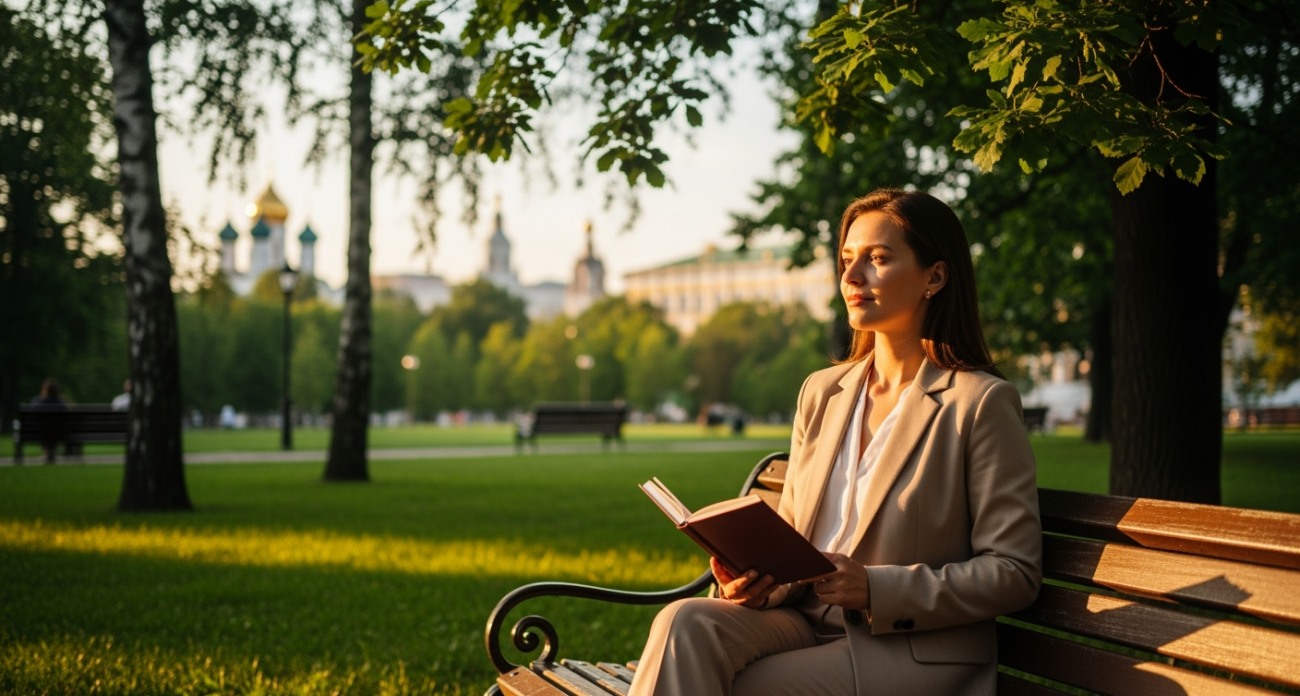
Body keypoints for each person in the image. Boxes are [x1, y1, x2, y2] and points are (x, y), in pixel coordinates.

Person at [628, 189, 1043, 696]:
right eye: (847, 260)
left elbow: (1015, 571)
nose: (851, 277)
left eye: (878, 259)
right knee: (684, 621)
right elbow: (796, 537)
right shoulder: (823, 392)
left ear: (934, 277)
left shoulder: (979, 403)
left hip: (909, 650)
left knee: (738, 687)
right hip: (803, 623)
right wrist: (761, 585)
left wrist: (875, 587)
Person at [28, 378, 69, 463]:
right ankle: (51, 452)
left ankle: (47, 453)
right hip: (59, 433)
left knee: (45, 429)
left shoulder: (38, 402)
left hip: (40, 432)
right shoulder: (61, 403)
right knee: (54, 429)